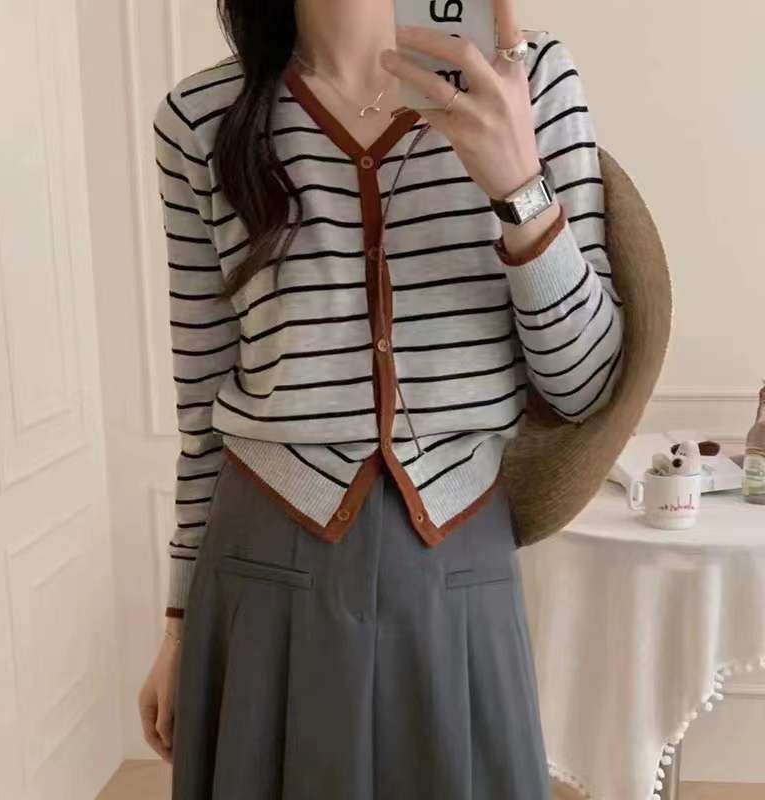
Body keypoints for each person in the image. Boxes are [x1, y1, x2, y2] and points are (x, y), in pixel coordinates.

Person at [138, 0, 624, 796]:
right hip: (262, 564)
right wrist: (179, 624)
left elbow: (583, 384)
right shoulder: (200, 119)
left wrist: (518, 187)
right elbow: (202, 409)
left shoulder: (526, 80)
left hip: (459, 561)